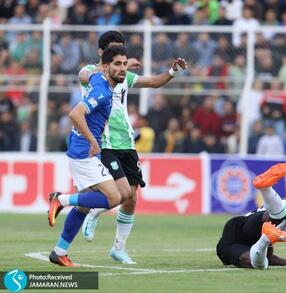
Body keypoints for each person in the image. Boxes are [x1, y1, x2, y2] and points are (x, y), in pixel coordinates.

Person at [79, 31, 188, 264]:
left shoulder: (124, 76)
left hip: (127, 143)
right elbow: (84, 75)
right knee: (119, 193)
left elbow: (154, 82)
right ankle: (91, 211)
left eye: (122, 50)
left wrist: (173, 71)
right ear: (101, 53)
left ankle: (119, 248)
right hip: (105, 142)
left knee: (131, 198)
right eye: (114, 52)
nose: (120, 56)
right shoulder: (92, 73)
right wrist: (122, 65)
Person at [47, 45, 129, 267]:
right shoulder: (101, 92)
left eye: (125, 63)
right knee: (115, 198)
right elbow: (75, 113)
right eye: (118, 64)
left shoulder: (98, 78)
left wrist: (124, 66)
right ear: (105, 66)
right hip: (85, 151)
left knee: (84, 206)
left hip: (79, 149)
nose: (123, 69)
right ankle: (60, 199)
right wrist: (94, 142)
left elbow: (88, 73)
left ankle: (59, 252)